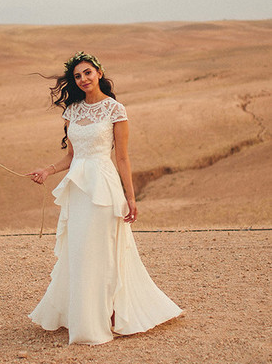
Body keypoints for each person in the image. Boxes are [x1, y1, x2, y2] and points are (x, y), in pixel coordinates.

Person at [28, 50, 182, 345]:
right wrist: (47, 171)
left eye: (87, 73)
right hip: (78, 189)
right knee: (80, 249)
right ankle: (83, 315)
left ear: (99, 73)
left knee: (103, 250)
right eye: (77, 76)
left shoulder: (115, 110)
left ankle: (110, 314)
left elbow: (122, 158)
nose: (83, 79)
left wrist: (131, 198)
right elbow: (72, 156)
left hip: (105, 187)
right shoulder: (72, 111)